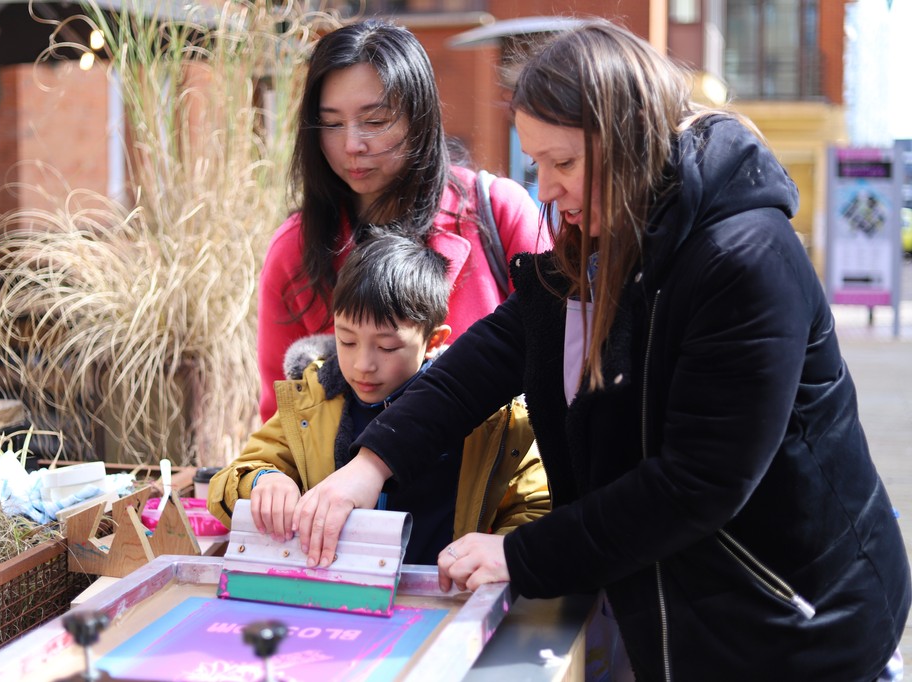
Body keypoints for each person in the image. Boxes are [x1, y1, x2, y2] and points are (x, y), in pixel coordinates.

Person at [288, 18, 912, 680]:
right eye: (536, 164)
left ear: (629, 142)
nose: (546, 190)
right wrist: (371, 464)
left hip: (798, 626)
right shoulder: (601, 238)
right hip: (687, 623)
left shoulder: (746, 262)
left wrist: (521, 555)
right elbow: (491, 354)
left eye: (565, 164)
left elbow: (698, 482)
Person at [257, 18, 549, 421]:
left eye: (375, 121)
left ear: (419, 116)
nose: (352, 144)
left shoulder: (498, 211)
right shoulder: (295, 249)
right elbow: (282, 421)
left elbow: (559, 360)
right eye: (331, 123)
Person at [210, 231, 548, 564]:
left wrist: (500, 551)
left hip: (446, 592)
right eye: (347, 341)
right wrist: (264, 482)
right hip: (332, 590)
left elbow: (536, 505)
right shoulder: (310, 403)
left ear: (432, 341)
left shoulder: (491, 419)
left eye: (386, 347)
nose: (363, 365)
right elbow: (231, 479)